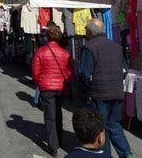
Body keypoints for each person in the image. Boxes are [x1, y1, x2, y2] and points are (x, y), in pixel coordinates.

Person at [80, 19, 132, 158]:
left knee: (101, 128)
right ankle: (127, 154)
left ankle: (105, 155)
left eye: (86, 29)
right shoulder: (116, 47)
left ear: (90, 31)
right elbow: (125, 70)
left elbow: (85, 74)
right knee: (114, 125)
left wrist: (86, 89)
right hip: (116, 92)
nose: (85, 31)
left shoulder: (89, 47)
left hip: (99, 94)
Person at [32, 26, 73, 157]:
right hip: (60, 88)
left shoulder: (40, 51)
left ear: (47, 37)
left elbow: (35, 71)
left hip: (47, 87)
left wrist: (40, 81)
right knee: (58, 114)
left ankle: (53, 146)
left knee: (50, 117)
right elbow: (70, 72)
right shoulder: (65, 53)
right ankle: (59, 139)